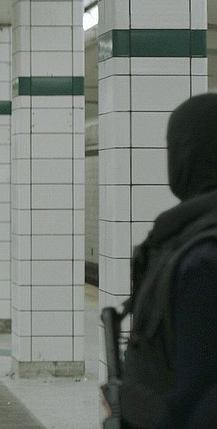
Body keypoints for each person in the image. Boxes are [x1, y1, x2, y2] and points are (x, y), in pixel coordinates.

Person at [116, 94, 217, 428]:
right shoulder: (182, 237)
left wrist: (142, 410)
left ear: (188, 154)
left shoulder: (203, 259)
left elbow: (203, 396)